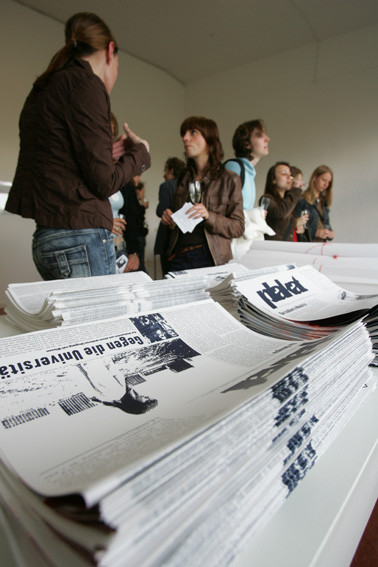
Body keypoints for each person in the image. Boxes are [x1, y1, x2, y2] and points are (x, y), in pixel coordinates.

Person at [5, 12, 150, 280]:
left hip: (47, 238)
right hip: (81, 238)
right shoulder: (87, 84)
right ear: (110, 51)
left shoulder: (44, 88)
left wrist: (108, 154)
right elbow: (104, 184)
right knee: (103, 323)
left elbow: (58, 161)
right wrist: (141, 153)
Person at [161, 116, 244, 271]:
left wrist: (208, 216)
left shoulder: (230, 179)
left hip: (211, 258)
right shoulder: (184, 178)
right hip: (178, 256)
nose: (185, 138)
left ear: (210, 140)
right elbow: (180, 219)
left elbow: (238, 227)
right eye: (184, 134)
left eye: (193, 132)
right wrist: (170, 219)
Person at [225, 119, 270, 210]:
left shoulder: (249, 172)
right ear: (246, 144)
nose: (267, 139)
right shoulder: (234, 167)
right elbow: (225, 208)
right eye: (260, 136)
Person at [154, 157, 186, 275]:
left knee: (167, 274)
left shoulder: (166, 186)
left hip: (167, 236)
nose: (164, 175)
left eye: (165, 171)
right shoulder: (187, 185)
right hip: (182, 237)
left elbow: (161, 210)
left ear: (171, 171)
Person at [260, 162, 302, 241]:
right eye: (284, 174)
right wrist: (295, 190)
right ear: (273, 180)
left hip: (286, 248)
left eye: (290, 175)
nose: (289, 177)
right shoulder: (267, 199)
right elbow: (281, 213)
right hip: (271, 248)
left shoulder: (287, 200)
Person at [294, 165, 334, 242]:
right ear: (315, 178)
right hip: (308, 245)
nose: (326, 184)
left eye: (328, 182)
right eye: (323, 180)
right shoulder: (302, 200)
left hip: (322, 245)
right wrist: (315, 233)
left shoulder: (323, 202)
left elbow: (326, 224)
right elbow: (297, 226)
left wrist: (330, 233)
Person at [119, 176, 149, 273]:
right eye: (138, 175)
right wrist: (143, 207)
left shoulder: (126, 186)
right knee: (139, 269)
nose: (139, 179)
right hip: (130, 236)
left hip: (130, 237)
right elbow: (134, 214)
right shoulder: (126, 185)